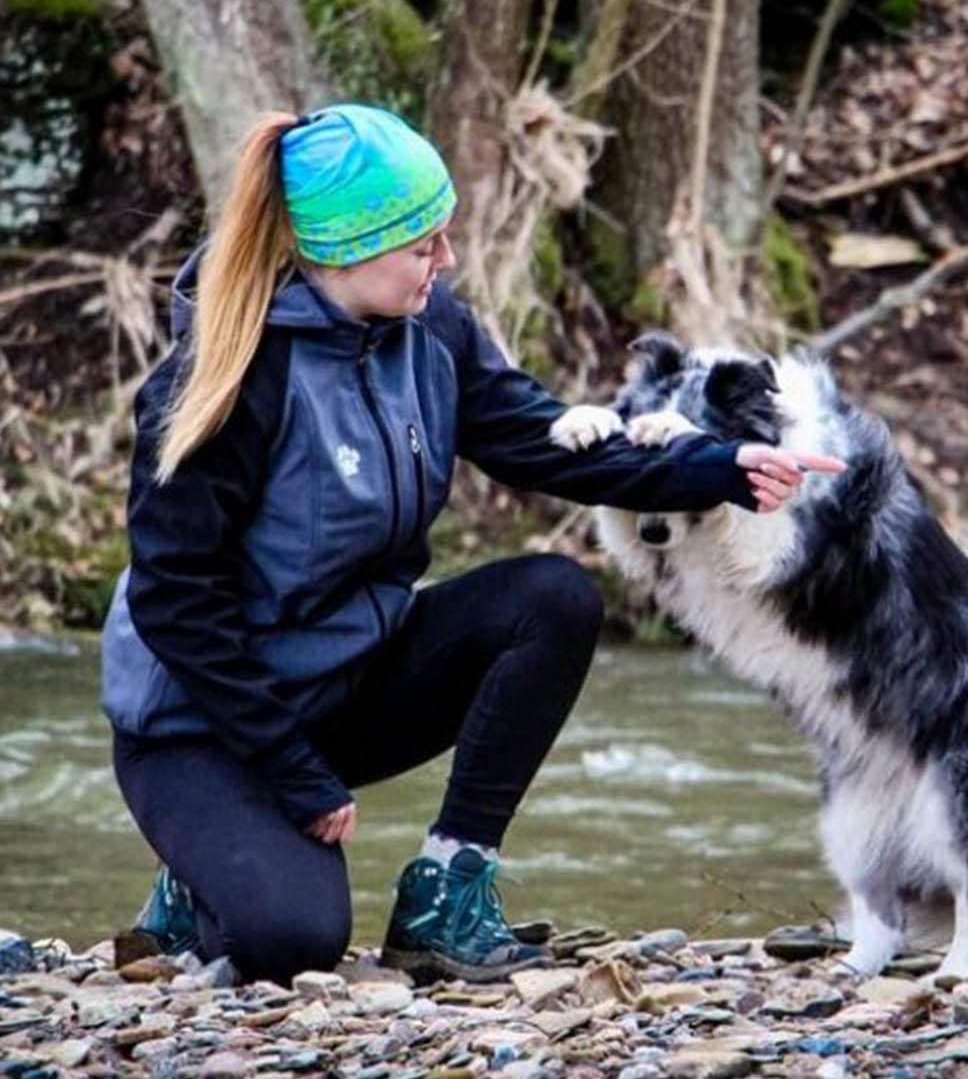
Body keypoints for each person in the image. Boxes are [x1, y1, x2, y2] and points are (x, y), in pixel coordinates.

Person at [101, 103, 845, 987]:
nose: (444, 262)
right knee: (289, 943)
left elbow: (538, 436)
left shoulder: (430, 327)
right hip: (204, 721)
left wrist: (723, 466)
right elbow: (176, 605)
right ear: (343, 251)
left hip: (343, 683)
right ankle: (199, 877)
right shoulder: (221, 383)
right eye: (423, 245)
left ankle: (447, 889)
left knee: (554, 599)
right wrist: (291, 772)